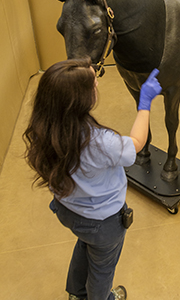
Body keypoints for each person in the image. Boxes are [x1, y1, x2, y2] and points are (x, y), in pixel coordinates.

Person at [23, 58, 162, 300]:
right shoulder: (99, 142)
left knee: (85, 245)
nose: (97, 84)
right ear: (79, 100)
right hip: (103, 223)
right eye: (93, 83)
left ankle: (76, 293)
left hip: (68, 210)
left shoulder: (46, 127)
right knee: (102, 268)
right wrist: (145, 104)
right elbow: (136, 145)